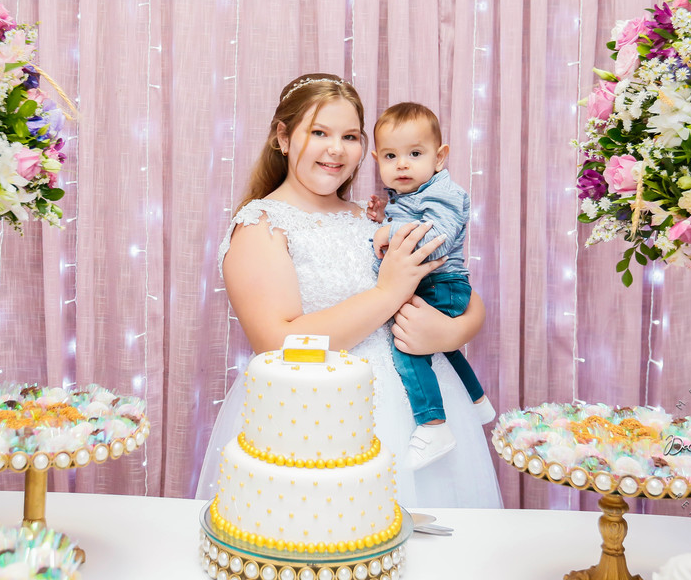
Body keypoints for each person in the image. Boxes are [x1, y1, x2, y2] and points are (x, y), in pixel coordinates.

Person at [195, 73, 502, 509]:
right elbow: (276, 343)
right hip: (322, 417)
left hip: (426, 417)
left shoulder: (376, 217)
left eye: (350, 136)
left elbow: (455, 288)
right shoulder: (261, 226)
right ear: (283, 137)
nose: (336, 149)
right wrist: (387, 294)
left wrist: (452, 332)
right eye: (319, 132)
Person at [367, 102, 495, 473]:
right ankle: (476, 399)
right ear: (377, 160)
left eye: (415, 154)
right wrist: (383, 214)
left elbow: (436, 240)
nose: (402, 165)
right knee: (443, 349)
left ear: (439, 157)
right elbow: (412, 216)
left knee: (407, 345)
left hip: (441, 283)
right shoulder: (411, 193)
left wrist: (388, 230)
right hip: (432, 283)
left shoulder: (445, 192)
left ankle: (433, 424)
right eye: (390, 156)